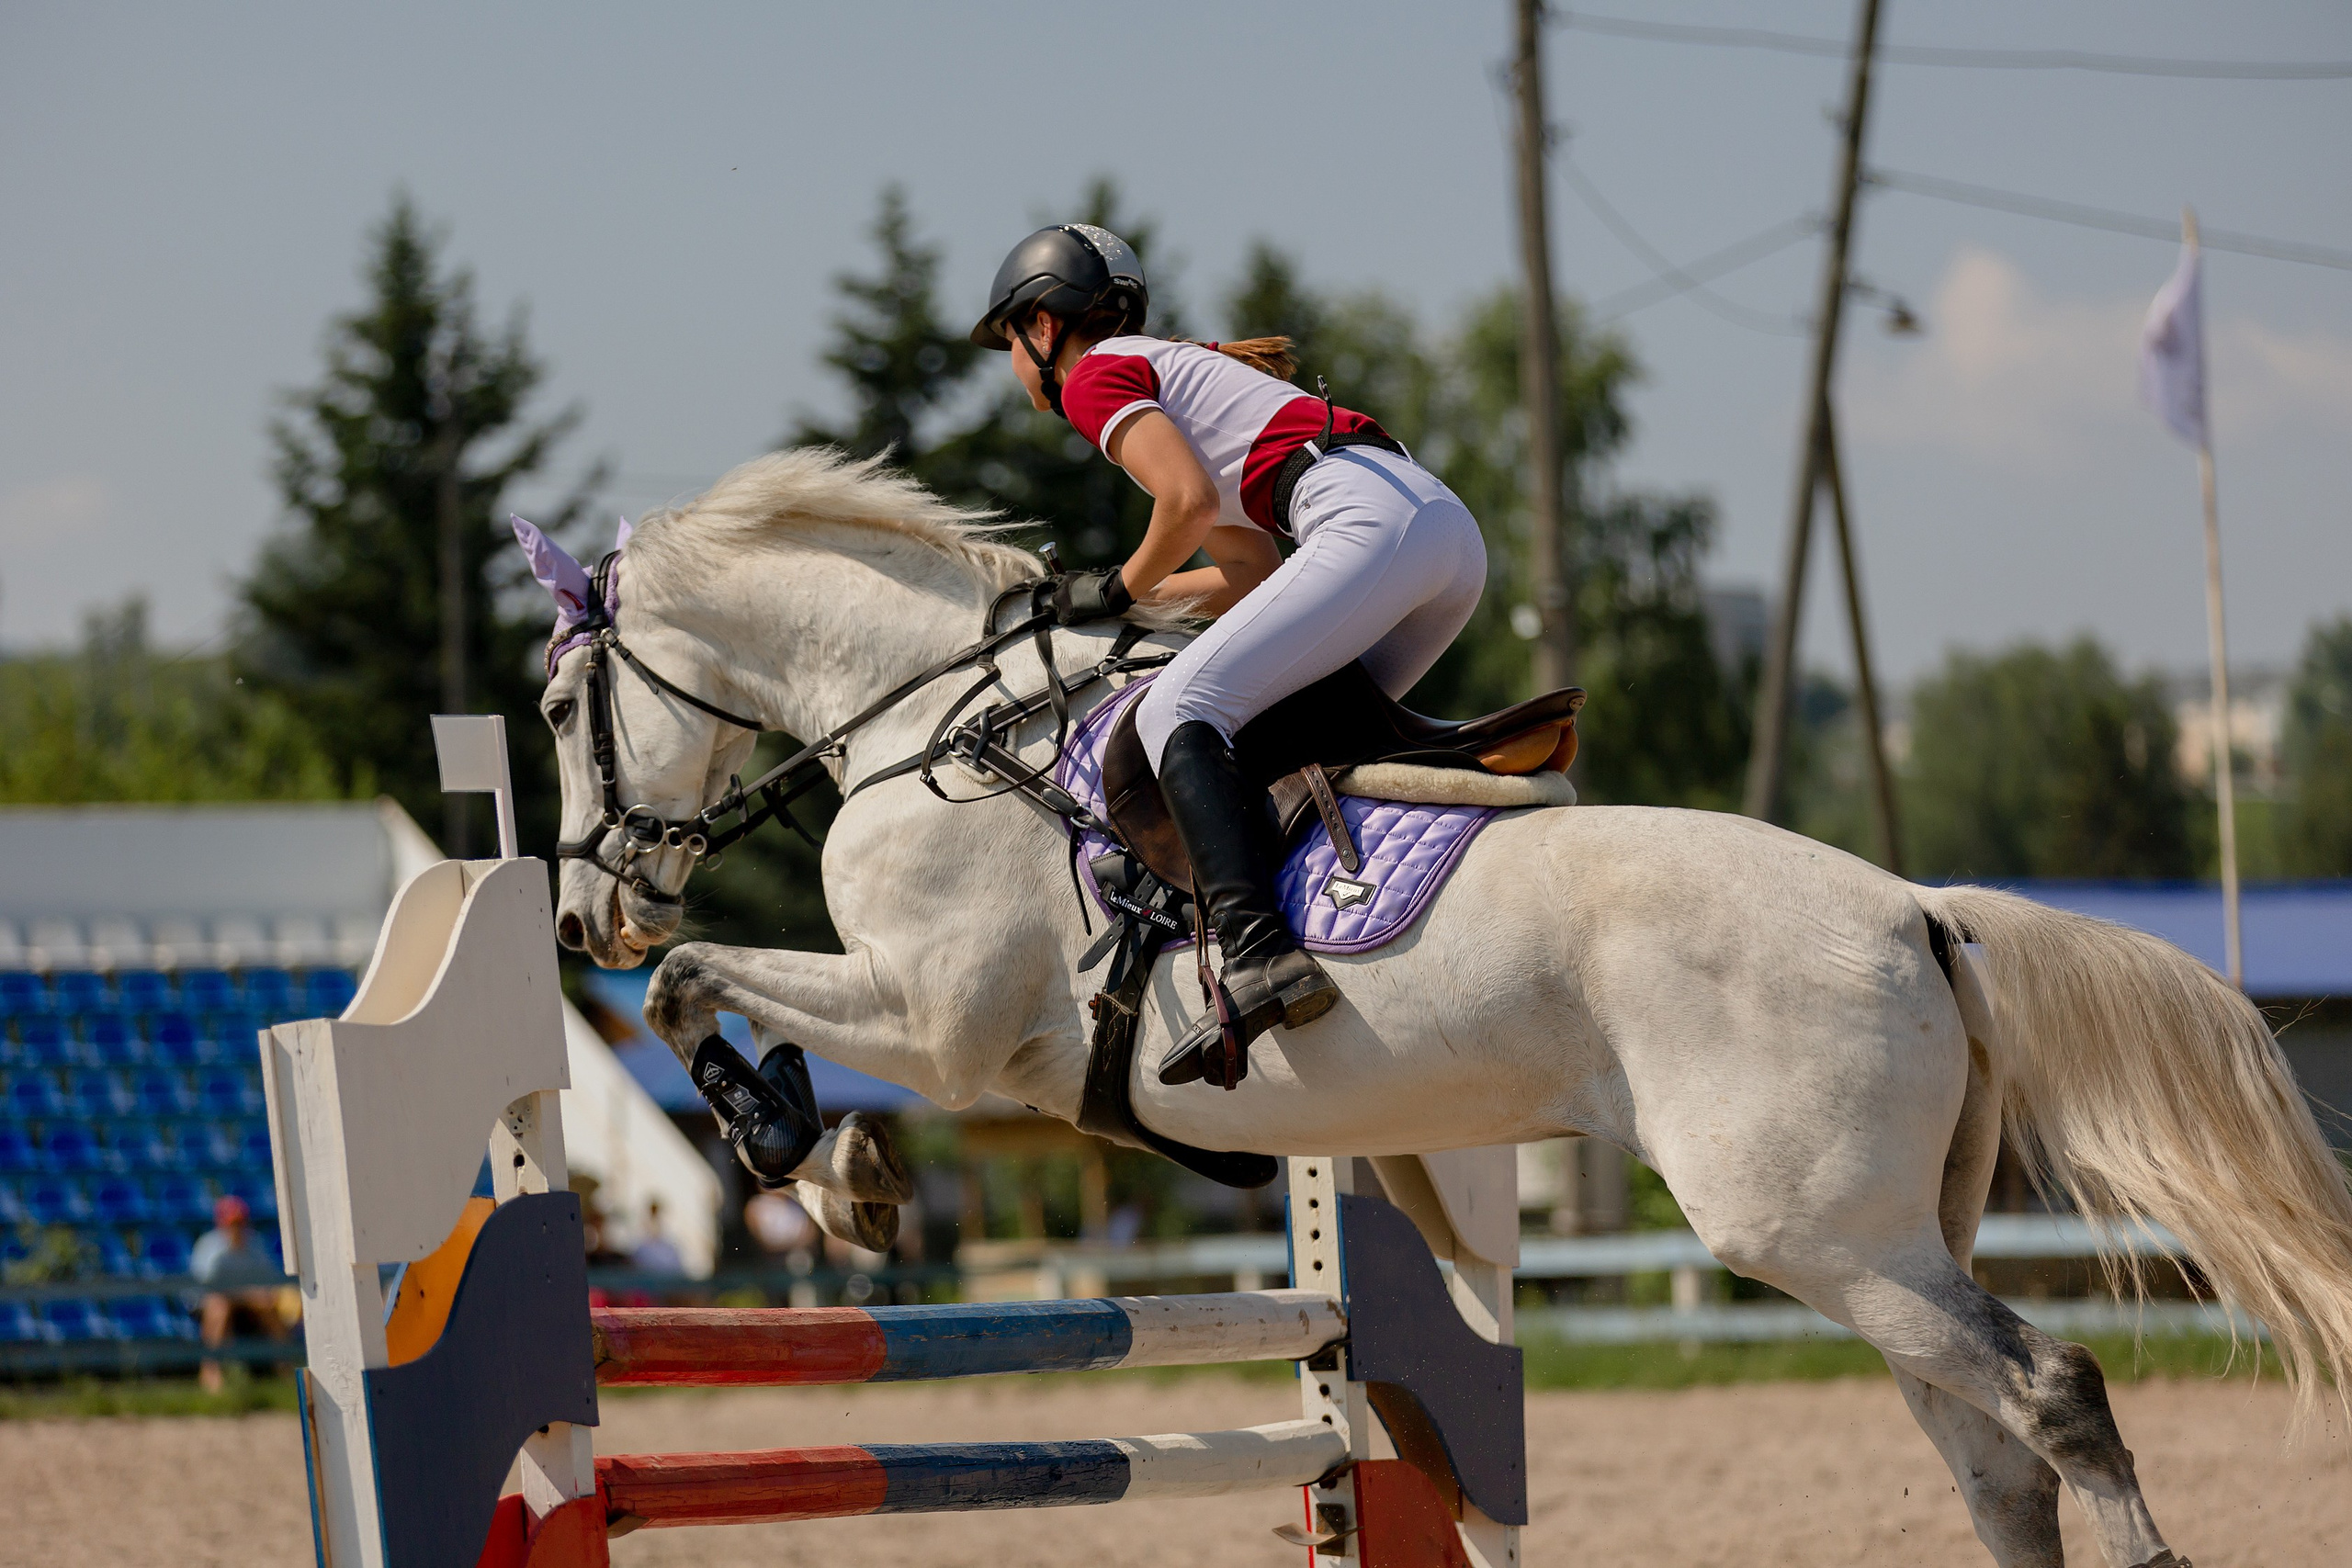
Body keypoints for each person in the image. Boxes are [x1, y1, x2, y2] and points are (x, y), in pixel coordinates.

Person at [971, 225, 1487, 1055]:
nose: (1011, 364)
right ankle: (1349, 920)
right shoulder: (1169, 370)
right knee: (1279, 734)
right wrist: (1118, 604)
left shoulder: (1094, 374)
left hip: (1366, 522)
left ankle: (1259, 954)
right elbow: (1247, 574)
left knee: (1173, 710)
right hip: (1442, 537)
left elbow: (1185, 505)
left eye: (1007, 342)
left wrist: (1118, 586)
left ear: (1042, 326)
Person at [188, 1194, 287, 1392]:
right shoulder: (209, 1246)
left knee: (269, 1307)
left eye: (240, 1222)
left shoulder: (255, 1244)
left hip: (248, 1303)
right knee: (219, 1307)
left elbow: (271, 1280)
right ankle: (210, 1372)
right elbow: (204, 1288)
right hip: (214, 1303)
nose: (237, 1227)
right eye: (232, 1223)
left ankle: (284, 1367)